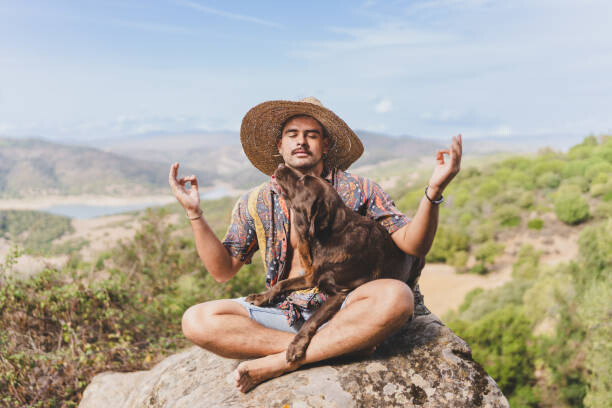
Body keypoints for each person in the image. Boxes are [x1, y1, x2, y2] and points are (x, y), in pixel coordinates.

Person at [168, 97, 462, 393]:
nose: (301, 142)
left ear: (326, 145)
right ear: (279, 146)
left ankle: (284, 359)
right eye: (292, 134)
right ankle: (327, 348)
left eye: (311, 135)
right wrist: (194, 213)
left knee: (396, 296)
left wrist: (434, 191)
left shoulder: (360, 190)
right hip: (284, 313)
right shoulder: (256, 201)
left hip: (347, 309)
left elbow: (414, 245)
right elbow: (222, 271)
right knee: (196, 320)